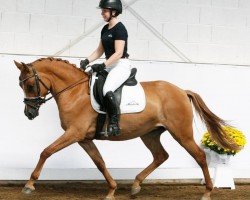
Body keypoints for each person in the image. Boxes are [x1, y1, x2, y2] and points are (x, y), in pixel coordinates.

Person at [80, 0, 131, 136]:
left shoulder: (120, 29)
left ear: (113, 12)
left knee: (107, 89)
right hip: (110, 65)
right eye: (102, 11)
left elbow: (118, 52)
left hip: (121, 65)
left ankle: (114, 123)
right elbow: (99, 51)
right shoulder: (105, 29)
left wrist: (103, 65)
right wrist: (87, 60)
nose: (102, 13)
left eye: (104, 11)